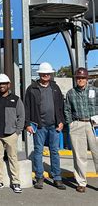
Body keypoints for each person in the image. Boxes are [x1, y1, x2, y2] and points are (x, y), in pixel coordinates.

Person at [24, 62, 66, 190]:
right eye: (44, 73)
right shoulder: (32, 89)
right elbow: (27, 108)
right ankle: (39, 177)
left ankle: (57, 178)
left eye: (48, 73)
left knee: (54, 151)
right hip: (39, 126)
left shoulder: (55, 87)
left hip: (54, 125)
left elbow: (60, 106)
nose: (46, 75)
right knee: (38, 151)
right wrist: (27, 124)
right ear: (40, 74)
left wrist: (61, 121)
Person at [0, 74, 25, 194]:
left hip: (10, 135)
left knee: (13, 158)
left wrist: (17, 132)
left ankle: (16, 182)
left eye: (3, 84)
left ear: (9, 85)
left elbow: (21, 116)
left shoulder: (16, 99)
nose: (1, 86)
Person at [64, 67, 98, 193]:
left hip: (93, 124)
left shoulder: (95, 91)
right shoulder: (71, 93)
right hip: (77, 124)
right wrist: (71, 123)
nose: (80, 80)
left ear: (87, 79)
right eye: (78, 78)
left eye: (83, 78)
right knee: (79, 155)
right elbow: (67, 109)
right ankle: (81, 182)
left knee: (97, 153)